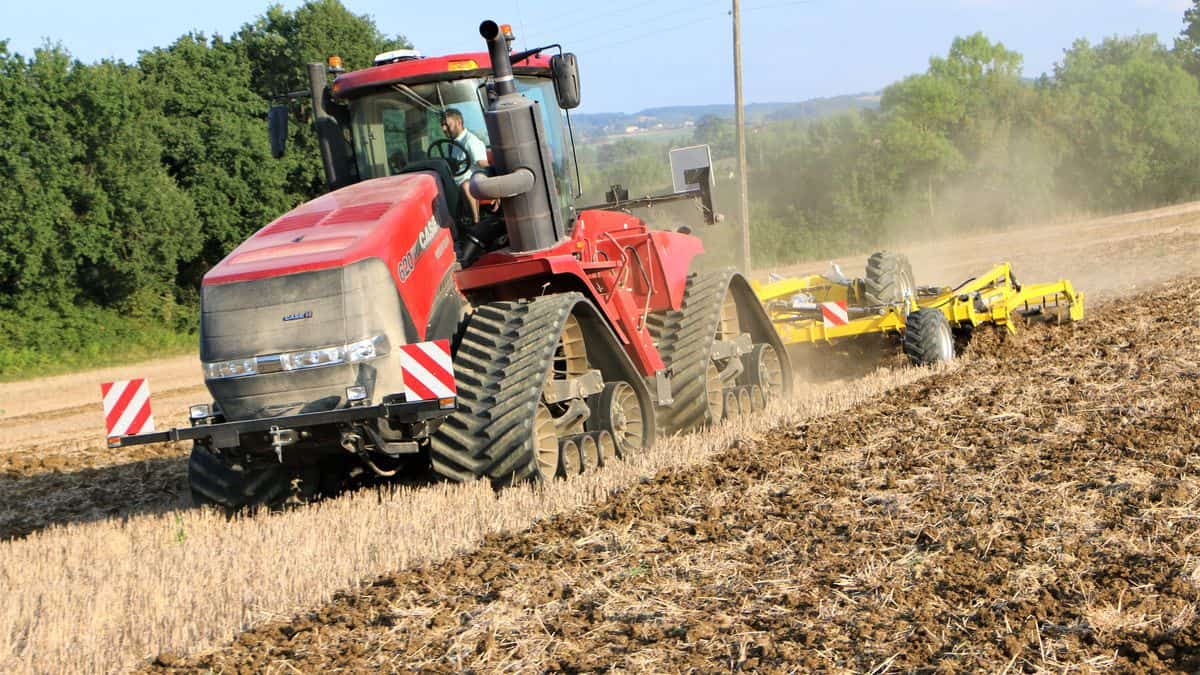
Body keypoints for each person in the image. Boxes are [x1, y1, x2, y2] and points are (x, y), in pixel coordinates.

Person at [440, 108, 489, 221]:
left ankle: (476, 221)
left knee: (465, 185)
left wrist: (495, 192)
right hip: (453, 184)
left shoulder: (471, 141)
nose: (443, 129)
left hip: (471, 185)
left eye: (447, 125)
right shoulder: (451, 144)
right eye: (442, 125)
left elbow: (484, 165)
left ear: (459, 123)